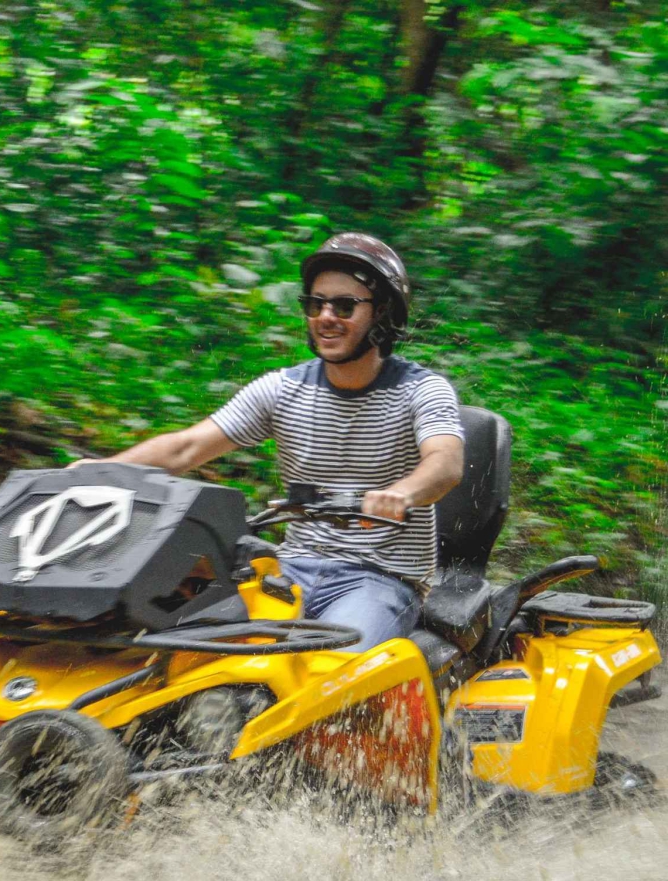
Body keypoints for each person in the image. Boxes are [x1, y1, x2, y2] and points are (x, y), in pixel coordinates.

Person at [80, 233, 465, 649]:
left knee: (333, 671)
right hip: (288, 570)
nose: (326, 316)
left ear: (383, 314)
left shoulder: (422, 389)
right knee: (182, 648)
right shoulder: (283, 389)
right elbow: (185, 447)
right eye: (316, 305)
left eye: (345, 306)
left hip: (380, 579)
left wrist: (403, 493)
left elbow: (445, 462)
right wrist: (105, 473)